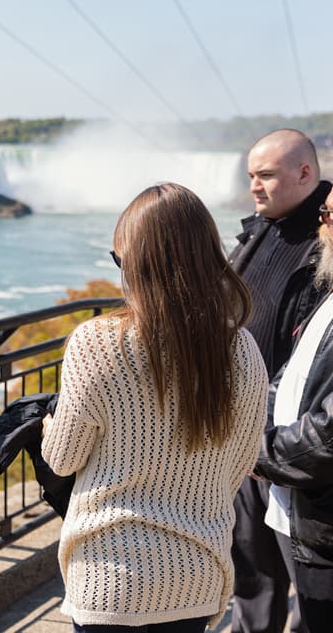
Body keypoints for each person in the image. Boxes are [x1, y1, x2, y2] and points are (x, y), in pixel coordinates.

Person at [41, 183, 268, 632]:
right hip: (196, 577)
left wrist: (51, 427)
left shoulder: (97, 342)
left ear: (138, 265)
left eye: (120, 261)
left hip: (109, 578)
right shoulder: (242, 349)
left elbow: (61, 460)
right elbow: (241, 461)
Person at [228, 129, 331, 633]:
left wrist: (265, 444)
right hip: (246, 437)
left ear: (304, 174)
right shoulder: (257, 232)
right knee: (250, 578)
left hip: (292, 450)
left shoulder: (325, 244)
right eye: (251, 176)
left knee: (308, 585)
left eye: (265, 175)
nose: (255, 187)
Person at [251, 187, 333, 632]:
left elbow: (329, 435)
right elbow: (290, 377)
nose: (322, 224)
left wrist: (255, 453)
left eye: (331, 215)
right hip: (302, 511)